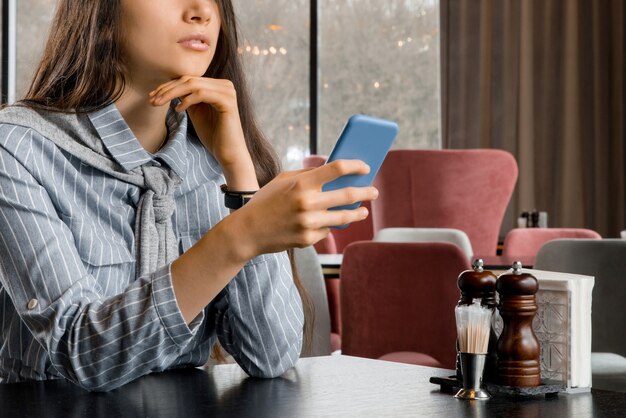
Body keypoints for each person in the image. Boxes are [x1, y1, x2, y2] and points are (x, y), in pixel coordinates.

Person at [0, 0, 377, 391]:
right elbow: (82, 355)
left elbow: (271, 355)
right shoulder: (17, 148)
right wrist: (240, 235)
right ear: (100, 13)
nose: (202, 11)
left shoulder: (214, 157)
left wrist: (239, 173)